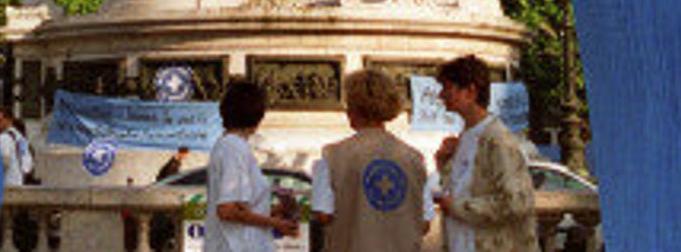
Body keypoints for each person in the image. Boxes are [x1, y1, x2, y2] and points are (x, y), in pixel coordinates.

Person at [311, 70, 430, 252]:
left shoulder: (332, 156)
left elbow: (323, 213)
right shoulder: (414, 158)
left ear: (353, 108)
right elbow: (425, 221)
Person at [430, 56, 536, 252]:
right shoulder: (464, 138)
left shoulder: (498, 140)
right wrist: (443, 162)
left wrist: (457, 207)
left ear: (470, 91)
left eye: (447, 87)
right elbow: (459, 189)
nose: (441, 95)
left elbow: (517, 202)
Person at [205, 80, 297, 252]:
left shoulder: (232, 146)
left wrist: (276, 210)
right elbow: (227, 211)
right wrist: (274, 223)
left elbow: (243, 208)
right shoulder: (233, 148)